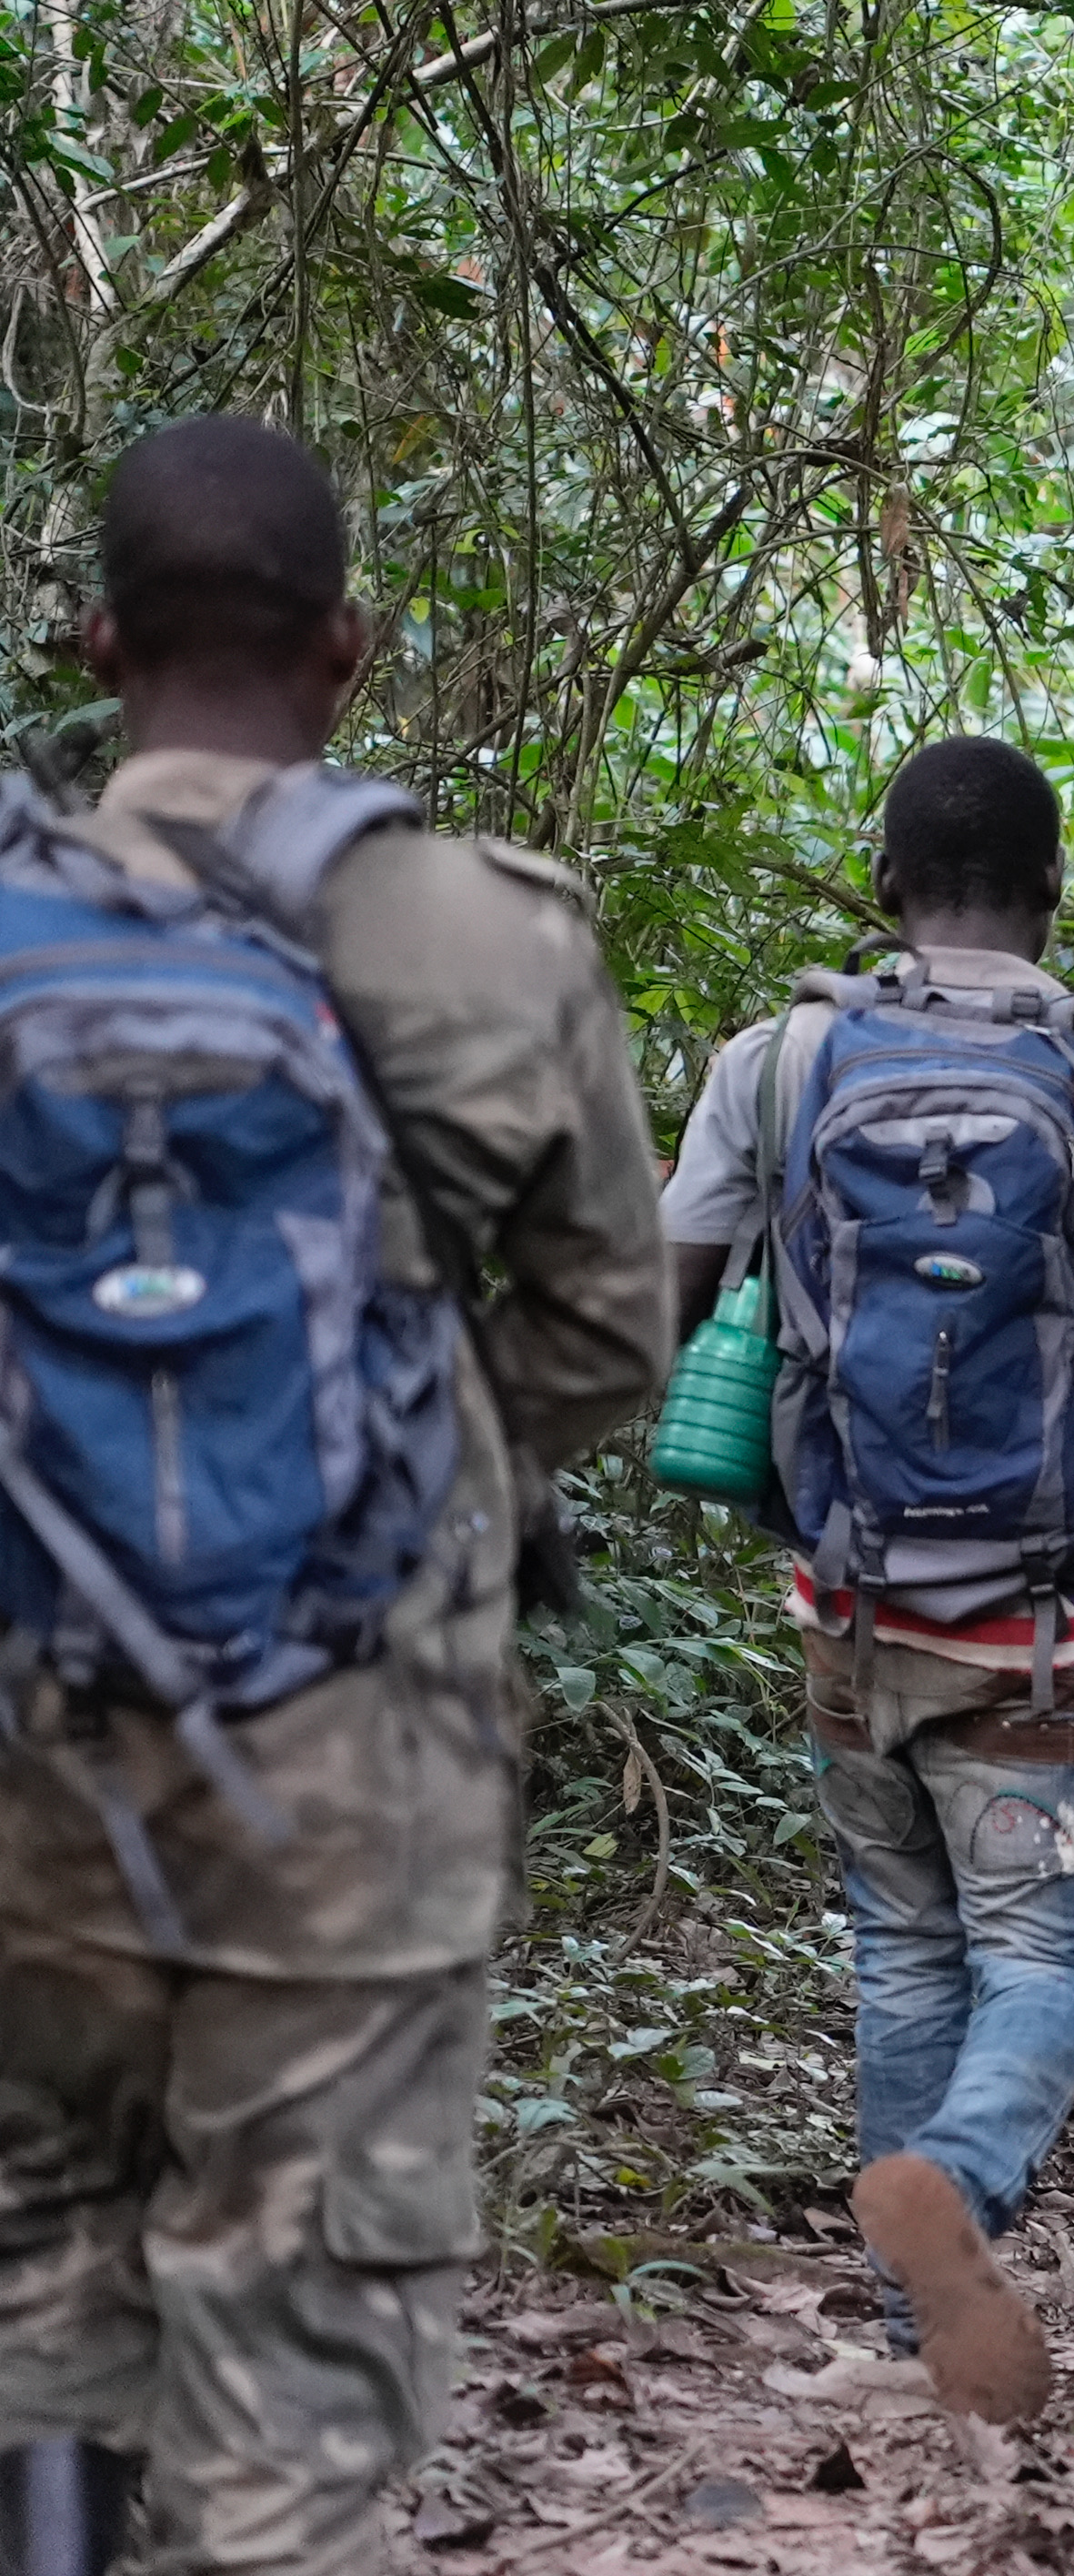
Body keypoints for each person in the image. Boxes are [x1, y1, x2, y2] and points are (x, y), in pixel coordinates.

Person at [0, 417, 670, 2576]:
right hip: (343, 1756)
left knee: (31, 2274)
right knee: (285, 2385)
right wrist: (380, 1476)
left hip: (18, 1735)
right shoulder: (486, 936)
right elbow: (600, 1344)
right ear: (348, 652)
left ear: (97, 639)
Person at [657, 737, 1074, 2424]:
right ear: (1060, 896)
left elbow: (664, 1297)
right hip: (1037, 1635)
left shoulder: (779, 1065)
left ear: (880, 885)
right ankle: (962, 2193)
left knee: (904, 1952)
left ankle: (903, 2314)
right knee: (1046, 1959)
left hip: (848, 1605)